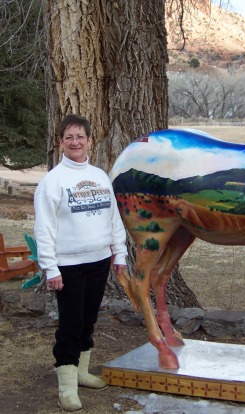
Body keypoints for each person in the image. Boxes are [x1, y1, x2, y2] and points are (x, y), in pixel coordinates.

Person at [34, 114, 128, 412]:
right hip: (68, 266)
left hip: (99, 261)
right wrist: (51, 267)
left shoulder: (100, 176)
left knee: (88, 321)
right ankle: (66, 385)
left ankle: (82, 372)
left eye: (80, 137)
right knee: (70, 324)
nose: (75, 142)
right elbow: (44, 229)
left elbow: (113, 218)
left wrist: (120, 253)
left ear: (89, 140)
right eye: (69, 137)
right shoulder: (52, 182)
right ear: (60, 142)